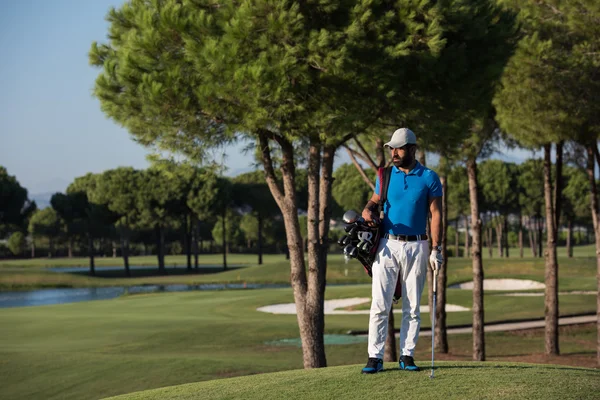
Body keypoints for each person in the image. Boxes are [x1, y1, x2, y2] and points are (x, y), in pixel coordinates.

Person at [360, 127, 443, 374]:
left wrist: (436, 249)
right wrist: (367, 212)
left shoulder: (429, 177)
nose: (394, 153)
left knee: (413, 305)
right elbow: (374, 201)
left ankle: (407, 355)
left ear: (412, 149)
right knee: (379, 304)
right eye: (391, 148)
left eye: (399, 148)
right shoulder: (384, 174)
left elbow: (436, 214)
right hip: (387, 243)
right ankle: (374, 357)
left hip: (418, 244)